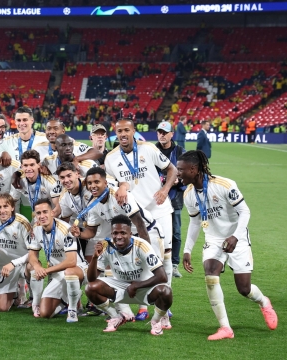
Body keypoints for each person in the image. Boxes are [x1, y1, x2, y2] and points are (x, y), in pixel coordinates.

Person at [177, 150, 277, 340]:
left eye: (181, 170)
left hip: (236, 237)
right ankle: (225, 328)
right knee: (210, 273)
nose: (177, 173)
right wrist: (187, 250)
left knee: (244, 289)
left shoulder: (224, 185)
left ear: (193, 169)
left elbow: (245, 211)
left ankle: (264, 302)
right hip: (213, 240)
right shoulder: (189, 194)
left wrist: (235, 237)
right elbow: (195, 222)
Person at [104, 118, 177, 321]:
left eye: (127, 130)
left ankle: (164, 305)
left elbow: (173, 169)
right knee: (142, 258)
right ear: (116, 133)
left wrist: (165, 189)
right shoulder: (110, 158)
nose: (123, 134)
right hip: (135, 215)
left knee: (166, 256)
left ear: (133, 131)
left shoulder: (149, 149)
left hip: (160, 209)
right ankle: (144, 304)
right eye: (119, 131)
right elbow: (111, 183)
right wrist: (122, 185)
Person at [85, 215, 173, 335]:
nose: (119, 237)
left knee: (166, 291)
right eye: (115, 233)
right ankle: (116, 317)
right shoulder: (107, 246)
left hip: (145, 288)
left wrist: (137, 285)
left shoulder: (142, 246)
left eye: (123, 233)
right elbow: (91, 279)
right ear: (111, 234)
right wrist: (95, 258)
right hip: (121, 287)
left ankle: (156, 321)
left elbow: (162, 276)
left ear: (131, 234)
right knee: (91, 288)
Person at [27, 199, 87, 322]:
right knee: (45, 313)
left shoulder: (65, 230)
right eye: (38, 213)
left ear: (52, 213)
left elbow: (71, 261)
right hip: (57, 272)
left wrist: (46, 271)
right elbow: (32, 254)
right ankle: (65, 301)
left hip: (78, 269)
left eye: (45, 212)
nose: (42, 216)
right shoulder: (36, 229)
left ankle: (72, 309)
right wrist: (37, 267)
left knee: (69, 272)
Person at [0, 194, 33, 312]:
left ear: (12, 208)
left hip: (23, 264)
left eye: (5, 206)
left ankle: (33, 298)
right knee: (1, 307)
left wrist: (13, 263)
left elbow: (33, 253)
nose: (2, 210)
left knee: (32, 266)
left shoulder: (23, 223)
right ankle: (15, 292)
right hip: (5, 267)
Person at [155, 121, 186, 278]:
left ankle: (173, 265)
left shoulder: (180, 151)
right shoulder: (152, 150)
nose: (162, 135)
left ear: (171, 134)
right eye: (159, 132)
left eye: (165, 132)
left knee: (175, 233)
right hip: (155, 199)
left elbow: (187, 174)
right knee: (153, 230)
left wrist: (178, 180)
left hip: (174, 198)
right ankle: (155, 262)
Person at [12, 149, 62, 221]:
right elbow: (13, 200)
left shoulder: (50, 182)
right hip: (37, 217)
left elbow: (59, 207)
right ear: (22, 166)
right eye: (25, 165)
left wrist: (46, 220)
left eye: (32, 165)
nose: (28, 169)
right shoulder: (19, 180)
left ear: (38, 165)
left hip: (54, 218)